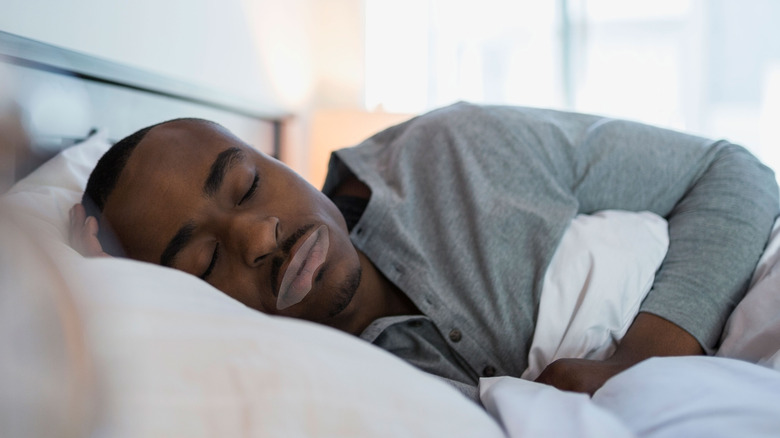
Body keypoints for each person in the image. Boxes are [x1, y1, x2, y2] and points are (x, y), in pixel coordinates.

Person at [70, 102, 779, 400]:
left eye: (249, 183)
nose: (258, 235)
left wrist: (642, 360)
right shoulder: (304, 394)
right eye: (202, 263)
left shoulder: (455, 151)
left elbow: (732, 172)